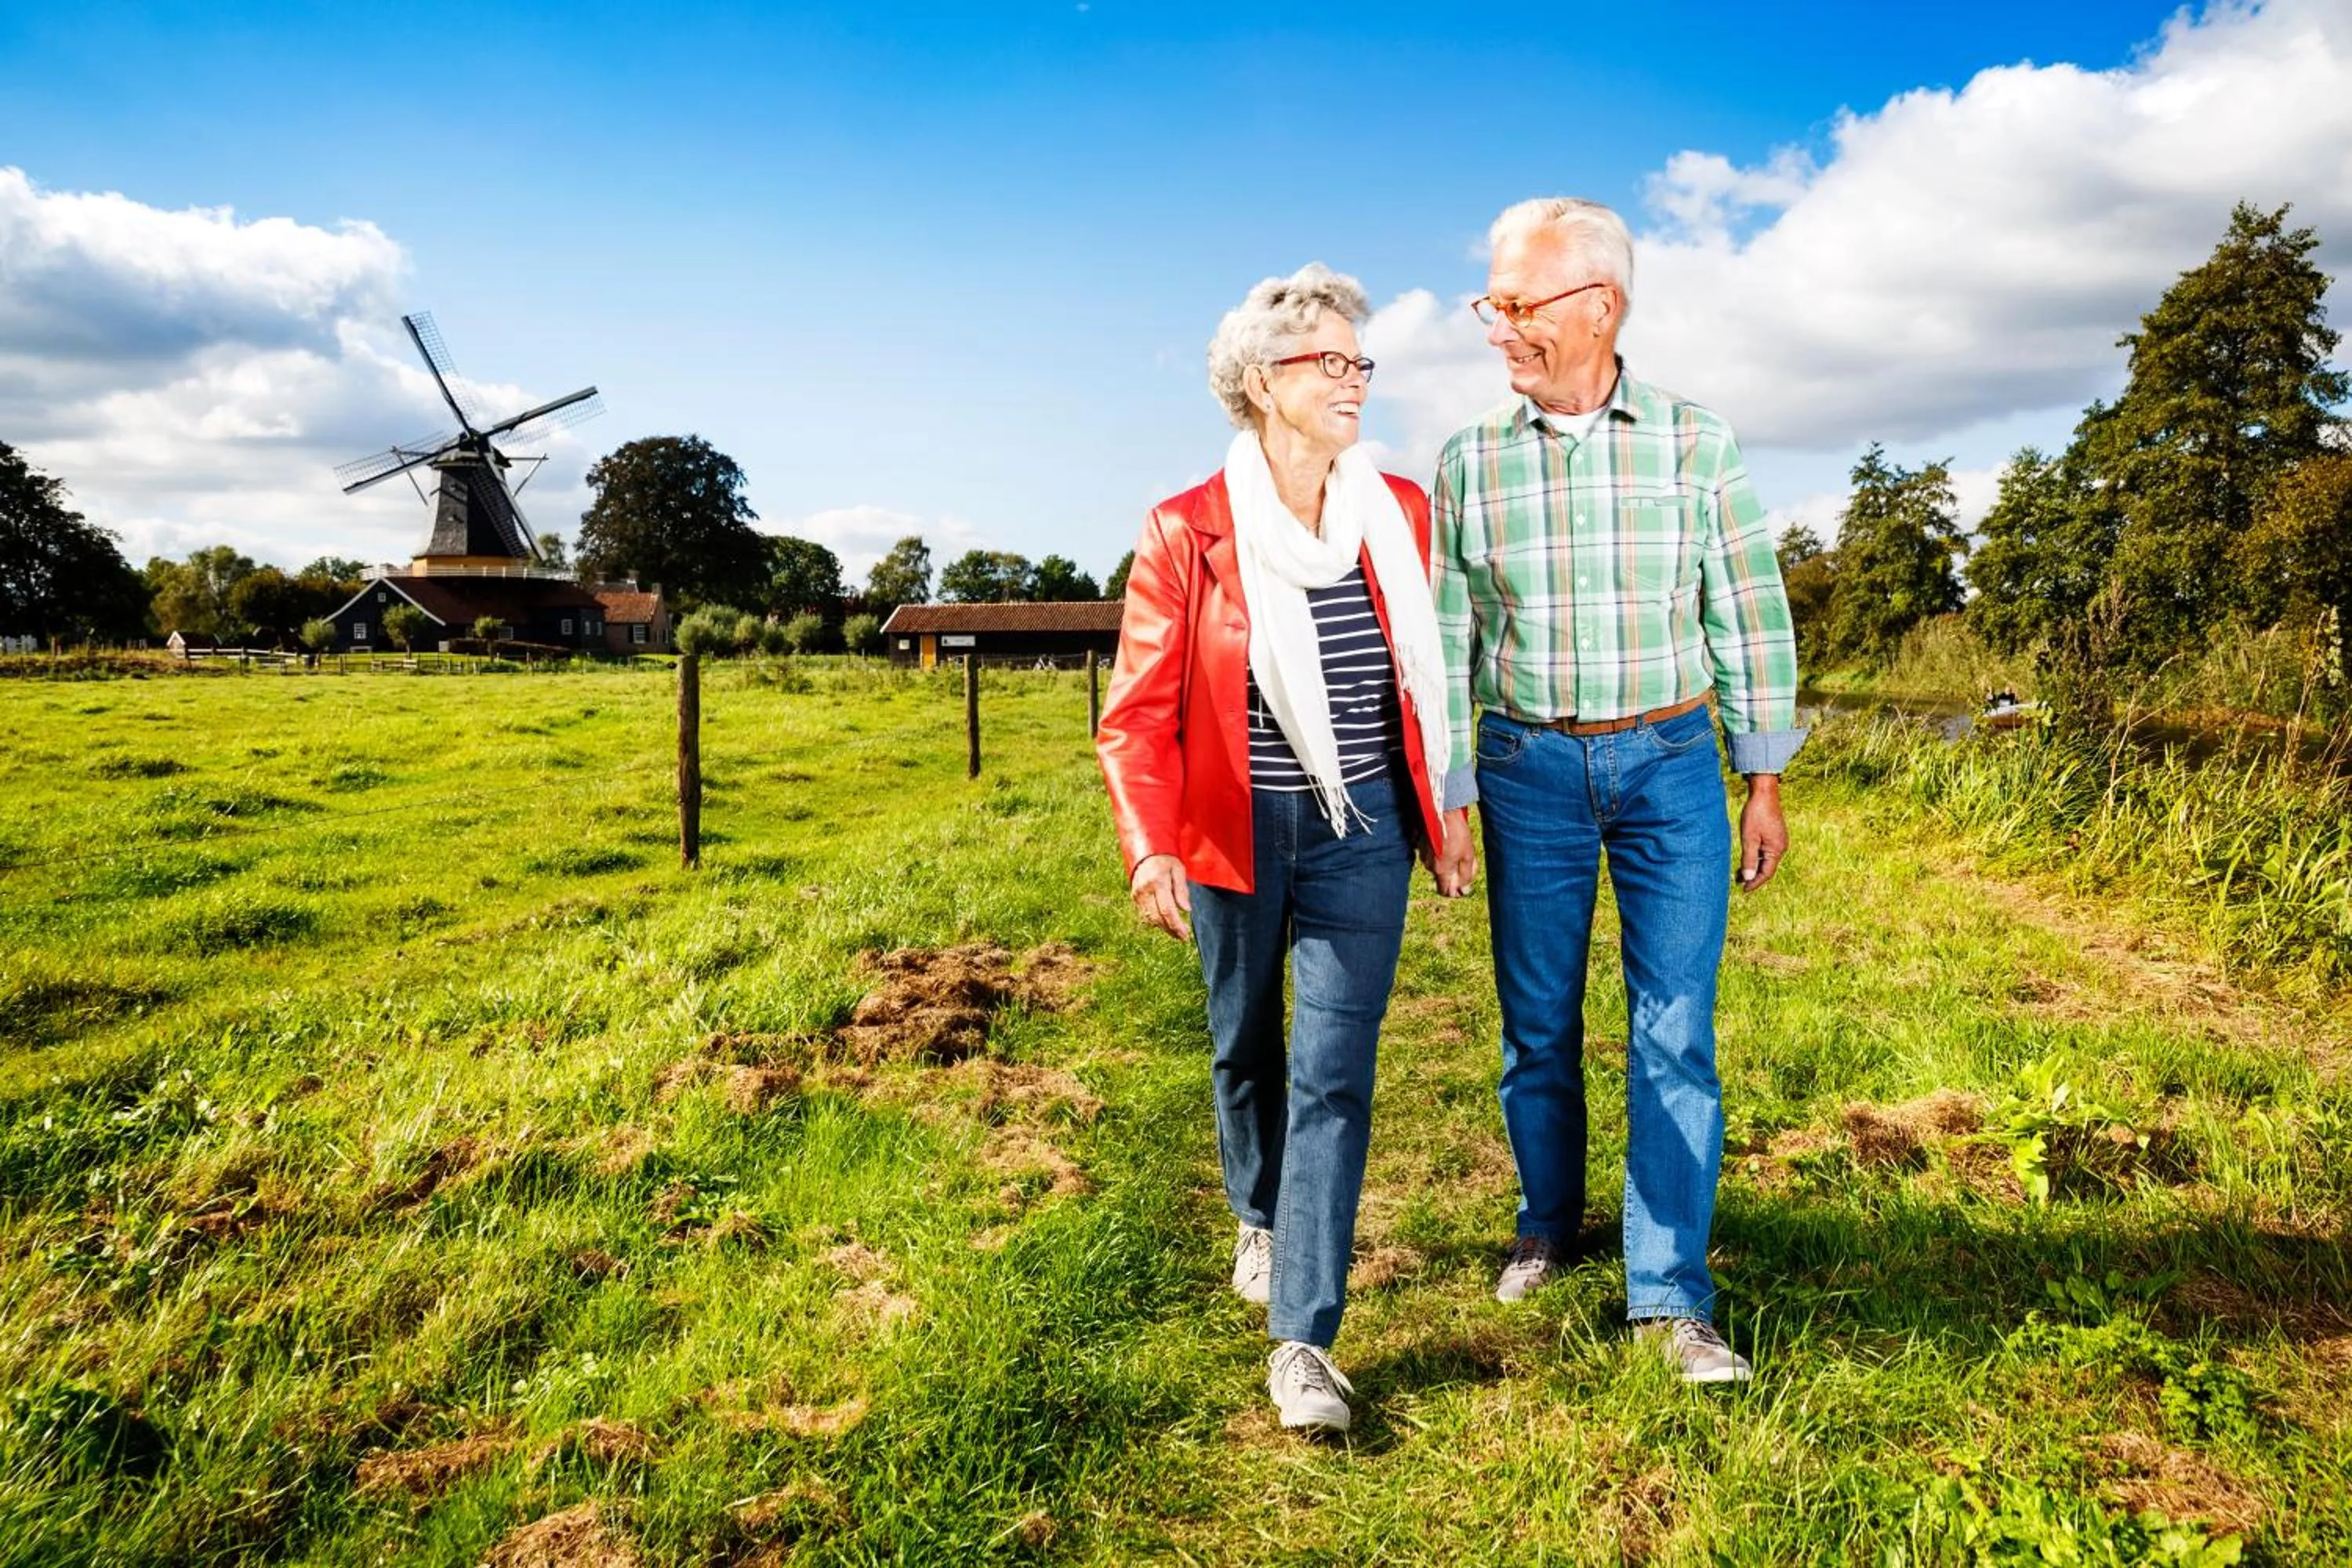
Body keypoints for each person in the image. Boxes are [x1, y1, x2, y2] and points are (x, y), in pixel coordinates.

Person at [1428, 198, 1804, 1383]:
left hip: (1671, 764)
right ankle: (1549, 1223)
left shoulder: (1697, 442)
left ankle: (1670, 1292)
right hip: (1528, 767)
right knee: (1536, 1024)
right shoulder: (1469, 461)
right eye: (1492, 304)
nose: (1499, 327)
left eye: (1517, 303)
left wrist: (1764, 776)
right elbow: (1448, 639)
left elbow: (1746, 607)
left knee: (1675, 1031)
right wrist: (1450, 795)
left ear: (1598, 305)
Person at [1097, 263, 1457, 1433]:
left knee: (1334, 1076)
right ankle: (1258, 1211)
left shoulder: (1398, 512)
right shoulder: (1187, 529)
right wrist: (1152, 847)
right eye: (1331, 363)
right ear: (1263, 383)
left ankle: (1302, 1340)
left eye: (1363, 363)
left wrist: (1442, 816)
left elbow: (1424, 679)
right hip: (1235, 829)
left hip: (1365, 830)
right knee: (1245, 1048)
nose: (1356, 380)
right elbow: (1139, 713)